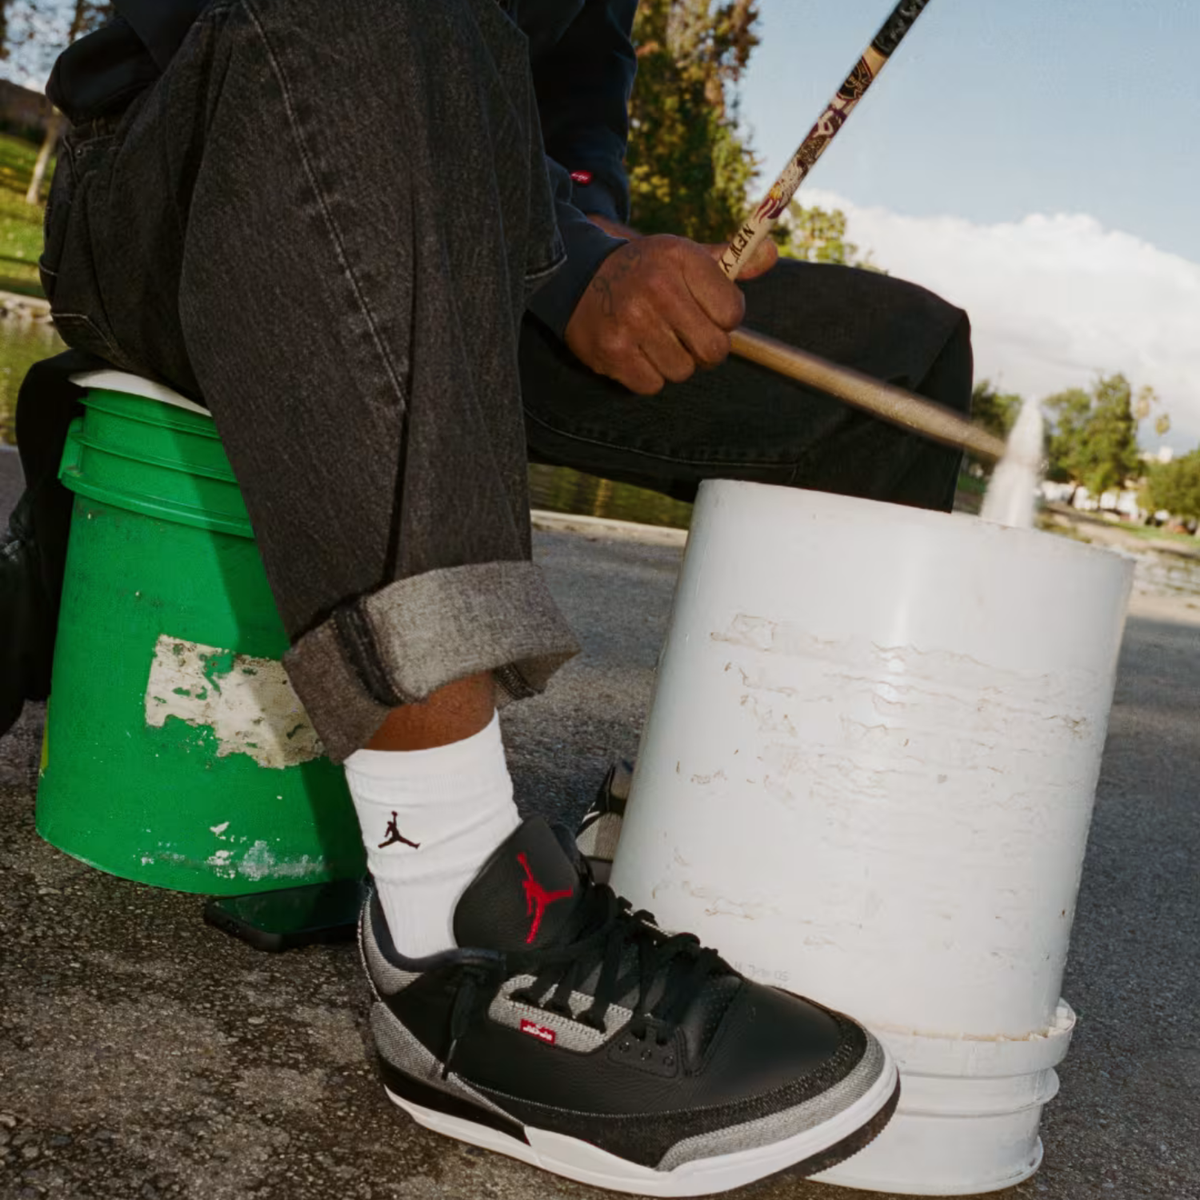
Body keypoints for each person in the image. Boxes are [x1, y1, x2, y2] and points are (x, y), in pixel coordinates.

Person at [0, 0, 973, 1192]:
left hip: (480, 252)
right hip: (196, 172)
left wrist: (611, 250)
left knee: (903, 351)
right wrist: (578, 270)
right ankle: (450, 922)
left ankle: (751, 850)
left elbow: (574, 128)